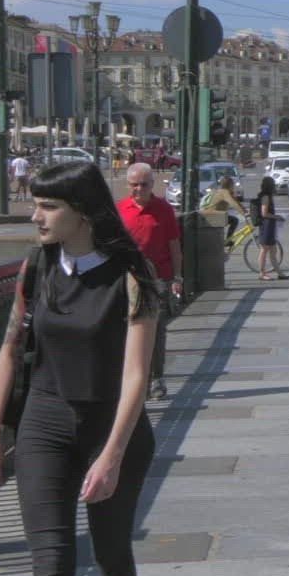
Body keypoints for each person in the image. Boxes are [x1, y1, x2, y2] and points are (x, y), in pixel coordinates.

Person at [0, 161, 160, 576]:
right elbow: (10, 349)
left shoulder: (132, 275)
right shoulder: (36, 267)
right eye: (36, 205)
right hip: (45, 424)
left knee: (111, 553)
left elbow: (136, 376)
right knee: (51, 569)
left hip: (113, 427)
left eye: (47, 206)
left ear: (82, 211)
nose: (36, 217)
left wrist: (112, 456)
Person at [117, 164, 181, 400]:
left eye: (144, 184)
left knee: (156, 330)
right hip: (128, 279)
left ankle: (156, 378)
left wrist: (177, 277)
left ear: (152, 185)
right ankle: (134, 379)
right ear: (128, 185)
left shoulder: (164, 209)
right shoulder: (119, 210)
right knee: (128, 330)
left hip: (158, 278)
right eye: (134, 185)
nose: (139, 189)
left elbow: (174, 246)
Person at [251, 176, 285, 280]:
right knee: (264, 249)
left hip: (270, 225)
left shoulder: (267, 196)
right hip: (266, 225)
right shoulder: (266, 197)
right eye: (273, 184)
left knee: (273, 250)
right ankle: (262, 273)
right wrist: (276, 217)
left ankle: (280, 273)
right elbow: (264, 213)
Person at [201, 174, 245, 244]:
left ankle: (227, 241)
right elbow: (234, 204)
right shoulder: (224, 192)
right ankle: (228, 241)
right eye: (232, 184)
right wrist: (244, 214)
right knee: (234, 220)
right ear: (229, 185)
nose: (233, 186)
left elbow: (237, 203)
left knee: (230, 220)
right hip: (213, 216)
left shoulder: (224, 192)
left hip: (216, 215)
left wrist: (245, 211)